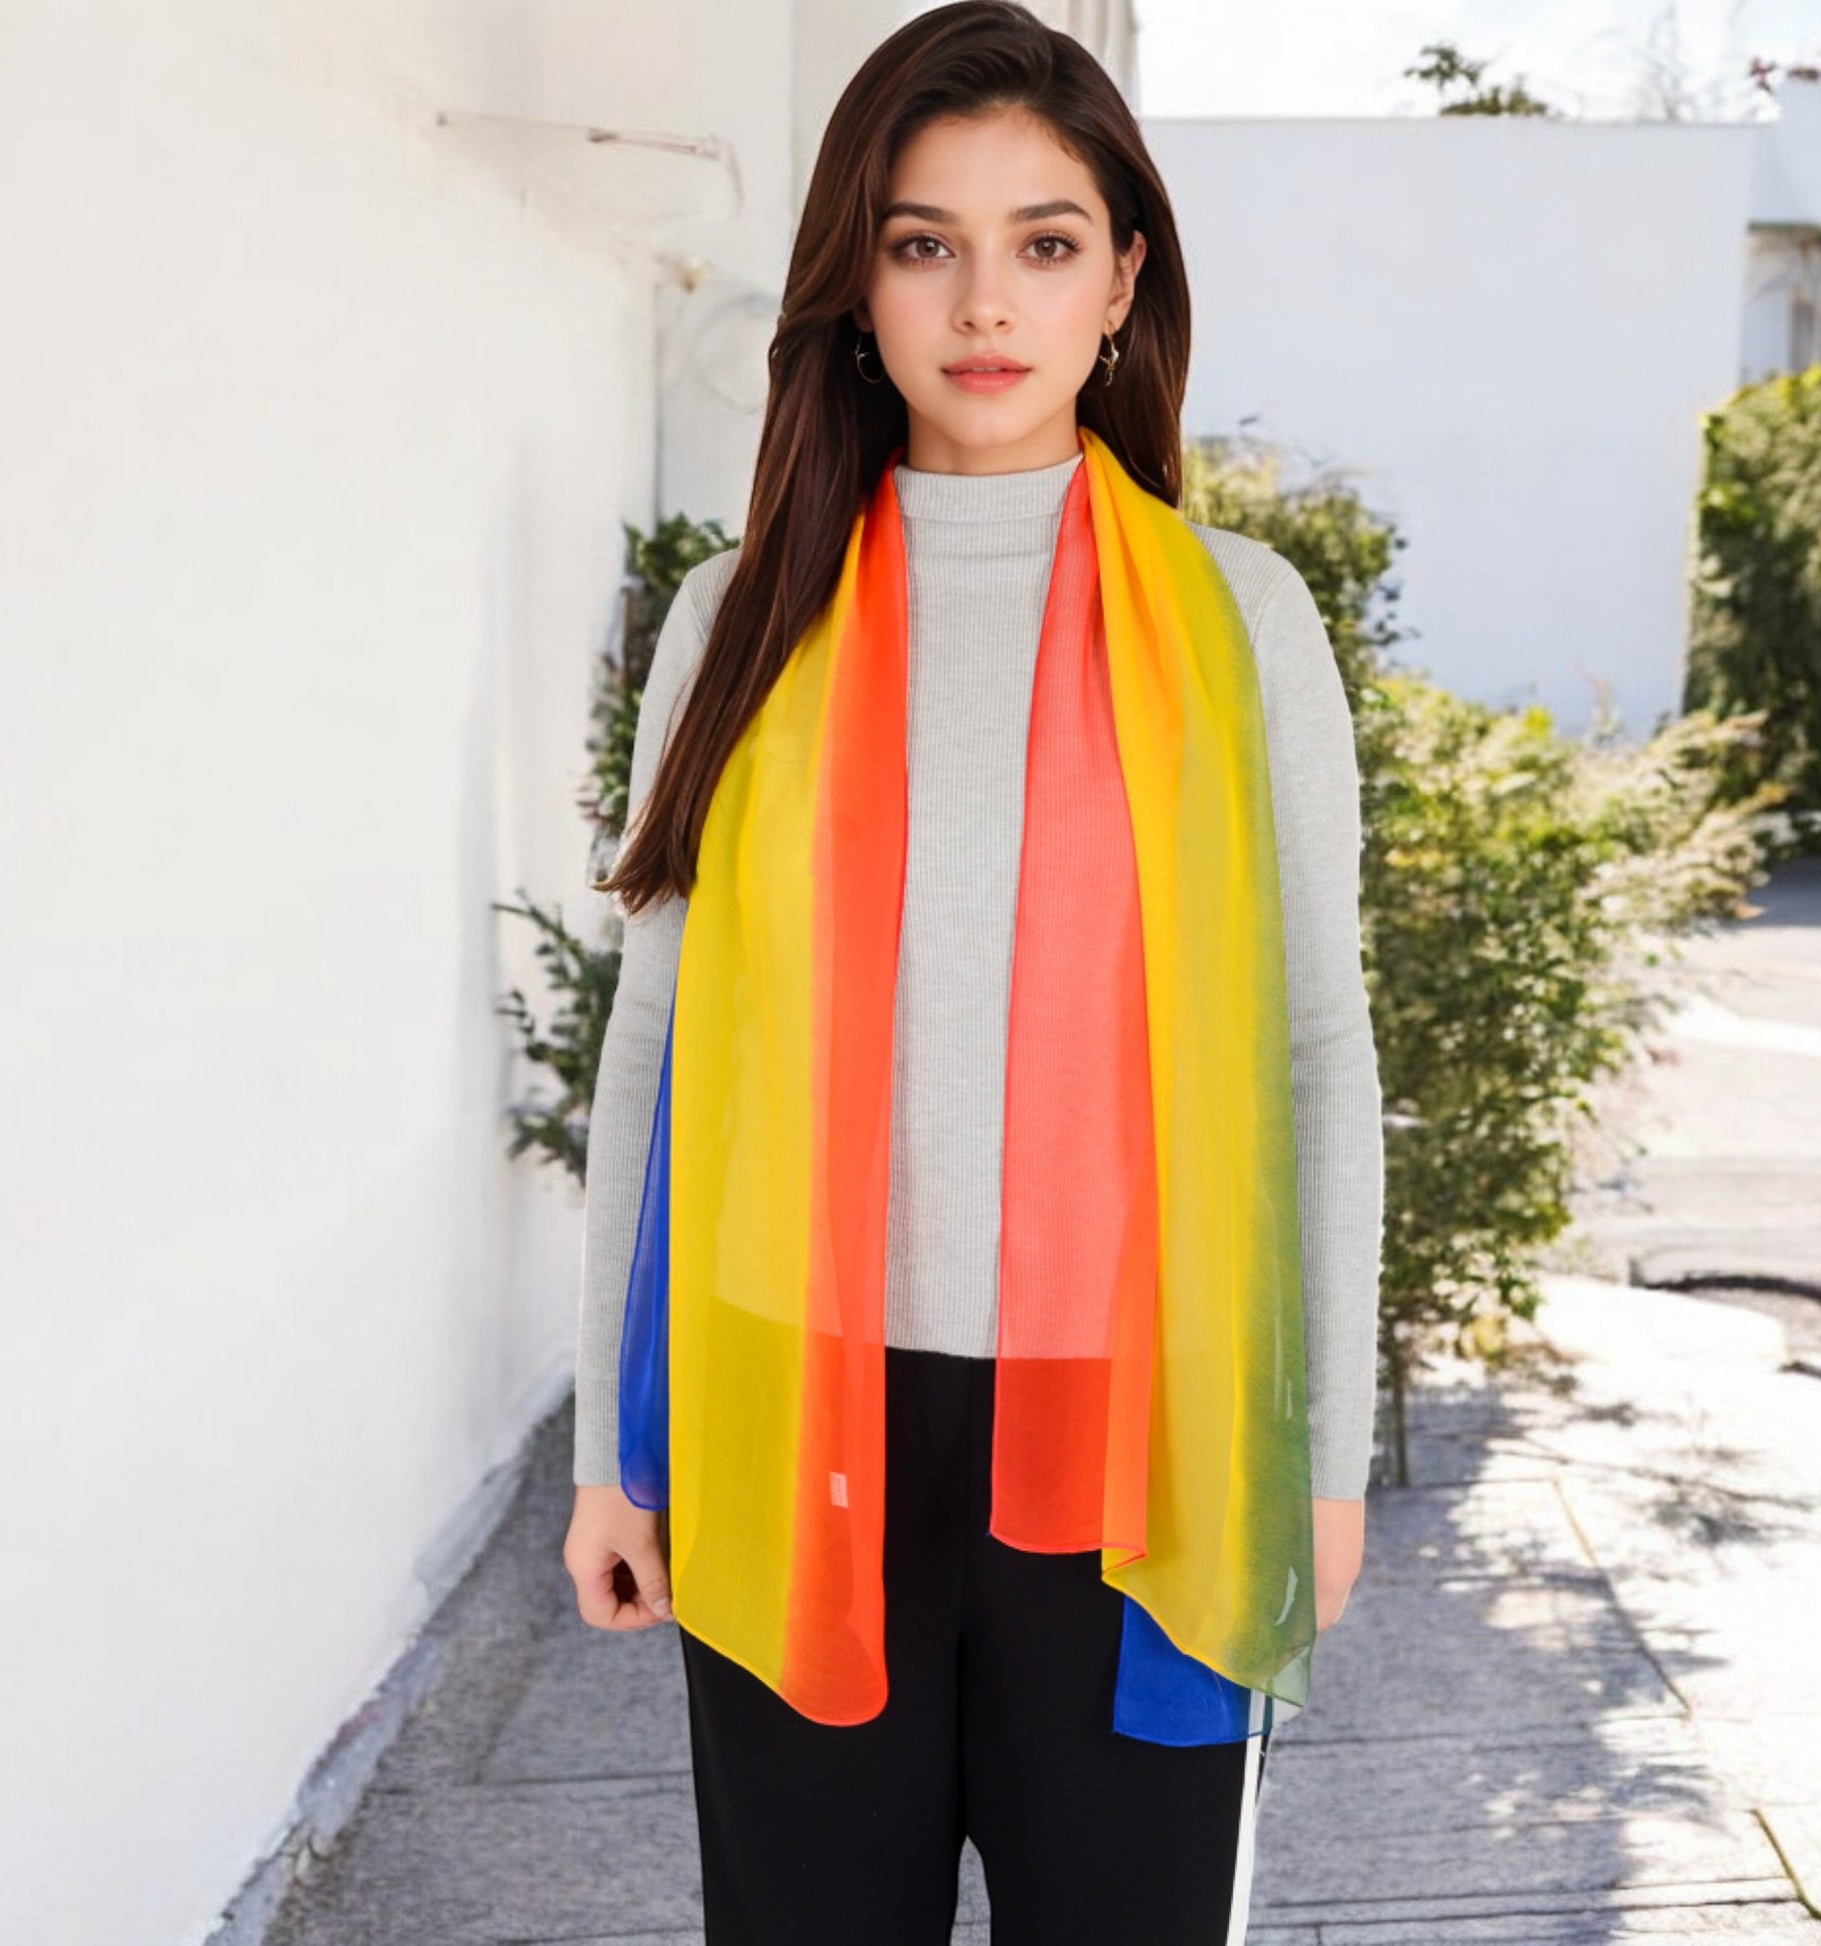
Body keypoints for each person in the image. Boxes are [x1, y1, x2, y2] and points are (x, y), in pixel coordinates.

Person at [560, 4, 1384, 1940]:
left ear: (1123, 282)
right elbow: (654, 1042)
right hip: (788, 1406)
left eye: (1044, 240)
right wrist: (615, 1452)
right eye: (923, 242)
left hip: (1140, 1429)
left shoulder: (1243, 621)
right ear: (855, 284)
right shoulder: (738, 615)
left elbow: (1314, 1050)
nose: (984, 301)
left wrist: (1319, 1460)